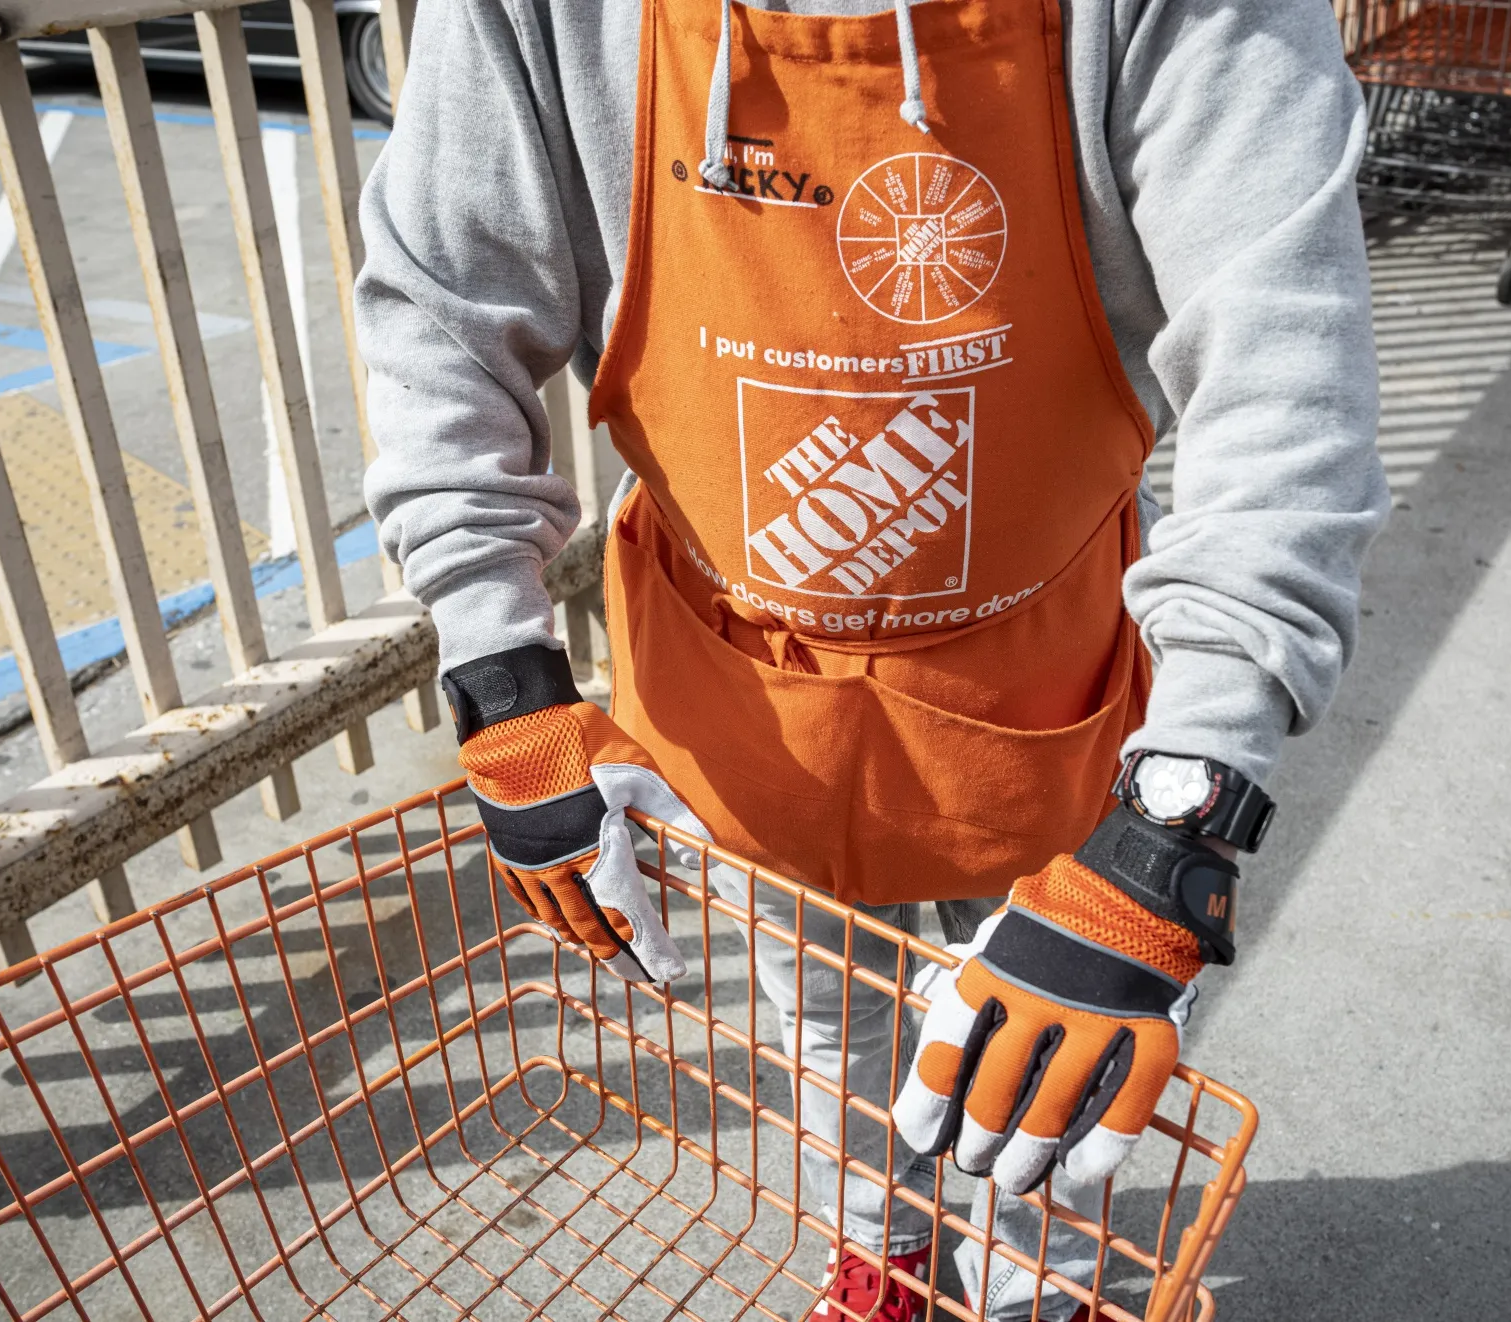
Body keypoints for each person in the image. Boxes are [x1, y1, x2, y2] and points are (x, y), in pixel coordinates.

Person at [358, 0, 1386, 1316]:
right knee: (828, 1018)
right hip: (742, 696)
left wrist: (1174, 827)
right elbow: (441, 310)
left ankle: (1043, 1287)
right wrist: (499, 669)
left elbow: (1285, 374)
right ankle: (883, 1258)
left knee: (1042, 1041)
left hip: (1039, 691)